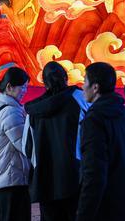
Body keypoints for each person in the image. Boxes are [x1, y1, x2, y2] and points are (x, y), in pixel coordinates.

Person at [76, 62, 125, 221]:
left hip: (107, 208)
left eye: (85, 81)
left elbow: (94, 173)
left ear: (95, 87)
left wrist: (83, 214)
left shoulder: (94, 121)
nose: (83, 86)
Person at [24, 61, 87, 220]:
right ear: (66, 77)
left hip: (45, 177)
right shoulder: (80, 99)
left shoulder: (34, 110)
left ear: (44, 82)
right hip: (74, 173)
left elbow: (26, 146)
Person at [0, 66, 31, 221]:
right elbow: (25, 145)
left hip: (0, 176)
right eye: (22, 87)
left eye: (26, 87)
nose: (25, 91)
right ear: (10, 87)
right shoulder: (11, 111)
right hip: (11, 178)